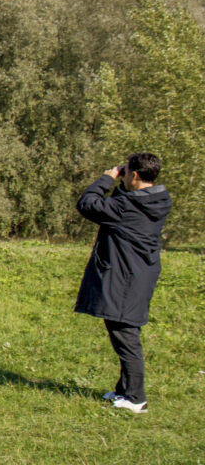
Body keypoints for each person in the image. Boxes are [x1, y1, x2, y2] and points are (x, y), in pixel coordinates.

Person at [74, 153, 172, 414]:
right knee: (124, 331)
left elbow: (87, 204)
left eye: (126, 171)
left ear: (135, 175)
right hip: (140, 273)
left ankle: (136, 398)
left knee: (126, 337)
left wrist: (107, 179)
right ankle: (124, 391)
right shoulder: (159, 200)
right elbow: (125, 201)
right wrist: (122, 181)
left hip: (126, 277)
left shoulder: (126, 207)